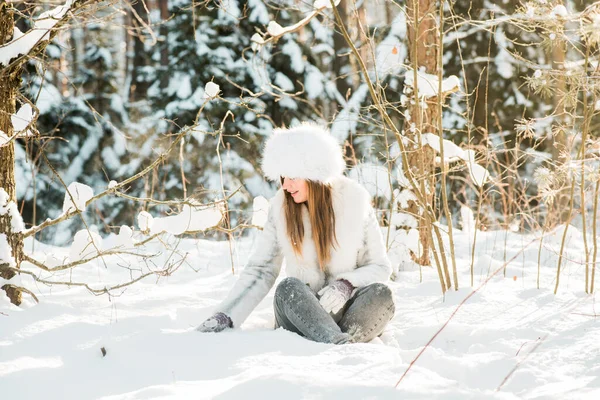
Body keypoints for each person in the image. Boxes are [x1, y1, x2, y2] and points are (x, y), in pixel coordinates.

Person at [197, 123, 395, 344]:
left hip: (346, 314)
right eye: (282, 177)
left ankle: (339, 341)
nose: (286, 186)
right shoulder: (280, 208)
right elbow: (261, 270)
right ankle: (336, 342)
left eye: (292, 177)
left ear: (314, 175)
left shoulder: (355, 202)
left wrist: (347, 284)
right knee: (288, 288)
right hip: (300, 316)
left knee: (381, 294)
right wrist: (226, 315)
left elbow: (381, 266)